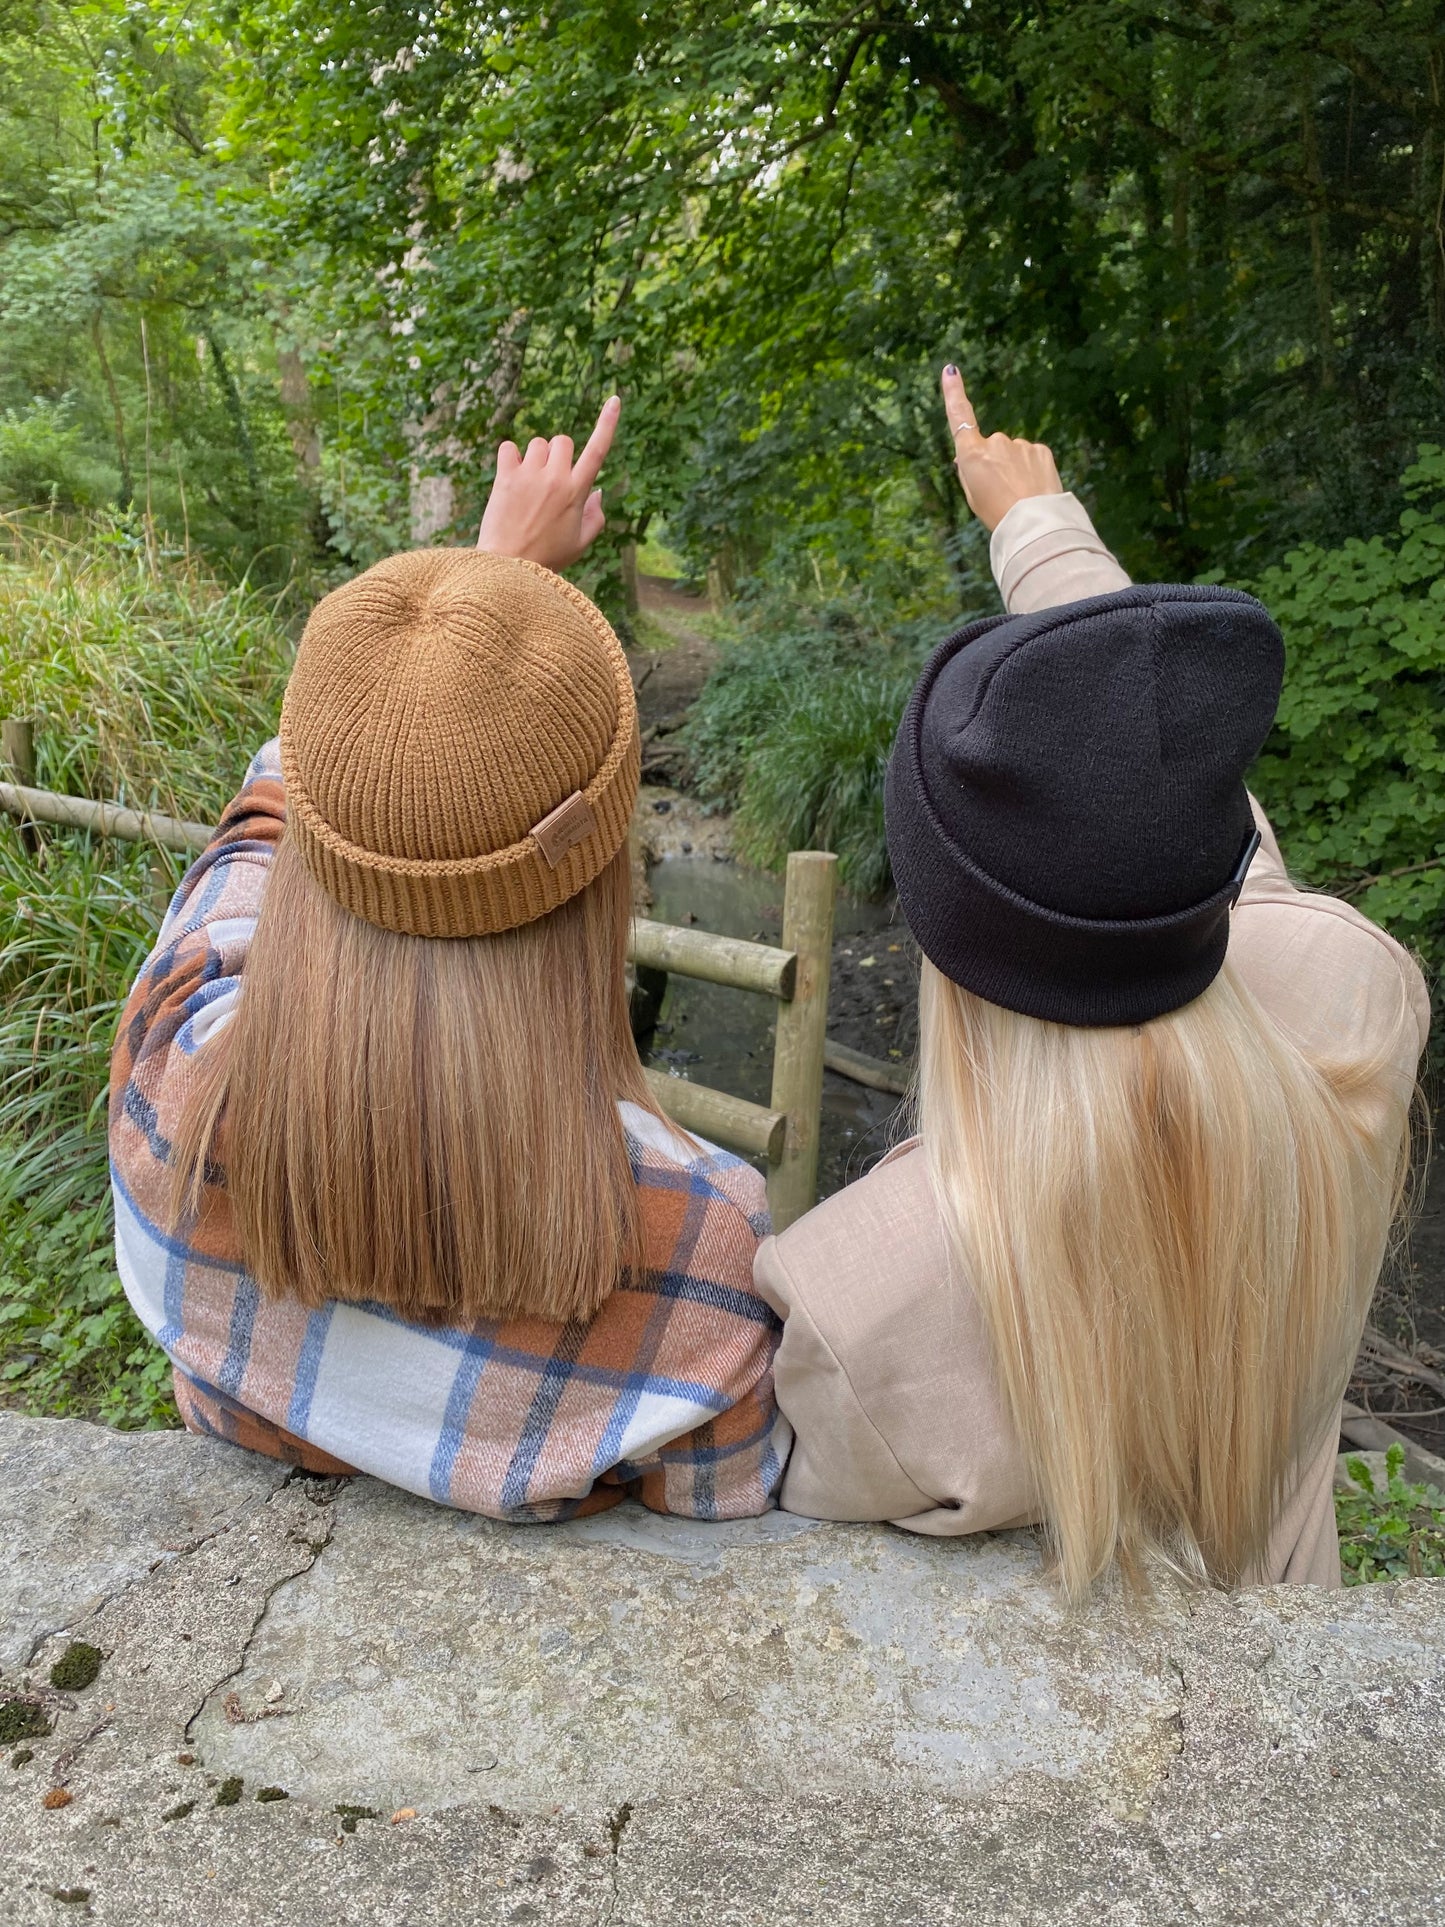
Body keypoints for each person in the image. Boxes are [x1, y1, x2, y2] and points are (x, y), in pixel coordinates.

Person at [756, 368, 1429, 1594]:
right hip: (1292, 1666)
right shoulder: (1347, 1022)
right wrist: (1039, 525)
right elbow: (1181, 807)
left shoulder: (862, 1296)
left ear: (941, 940)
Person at [110, 400, 790, 1521]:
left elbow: (264, 819)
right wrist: (488, 614)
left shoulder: (168, 1062)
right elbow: (721, 1533)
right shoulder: (705, 1239)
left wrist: (483, 576)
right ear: (605, 858)